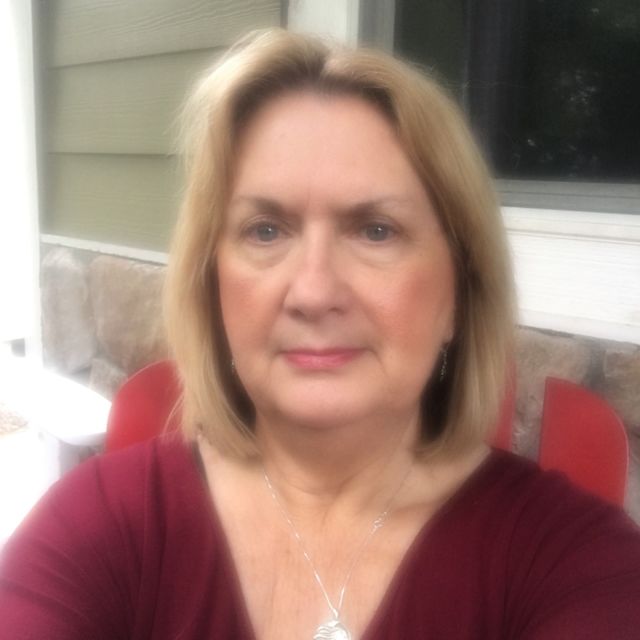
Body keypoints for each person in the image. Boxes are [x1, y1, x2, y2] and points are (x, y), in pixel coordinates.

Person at [1, 28, 639, 640]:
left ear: (459, 294)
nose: (312, 292)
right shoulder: (100, 525)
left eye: (376, 231)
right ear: (212, 284)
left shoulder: (571, 562)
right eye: (265, 230)